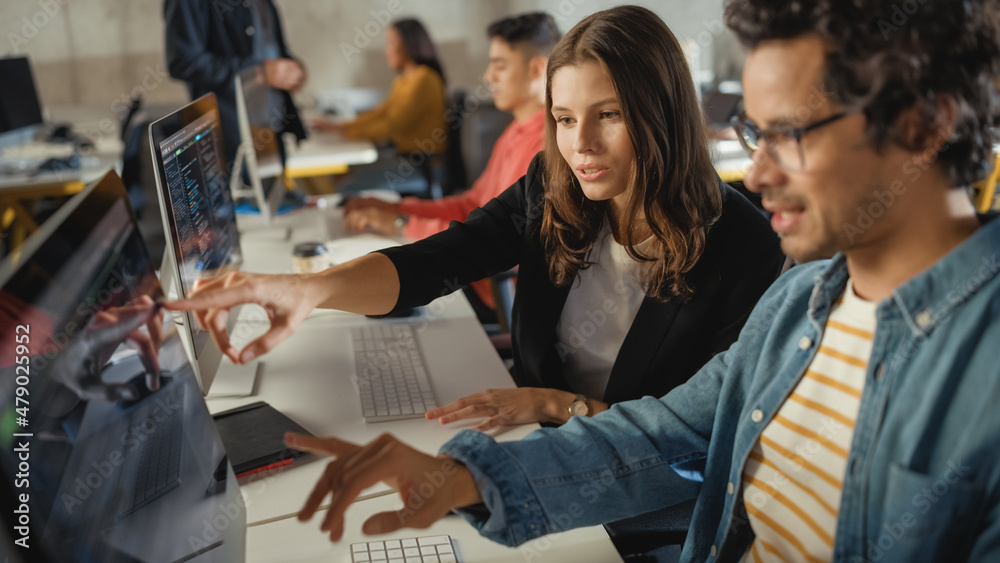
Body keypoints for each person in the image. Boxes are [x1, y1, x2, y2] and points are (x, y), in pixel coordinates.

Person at [275, 1, 1000, 561]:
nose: (762, 172)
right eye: (758, 134)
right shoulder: (803, 302)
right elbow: (667, 435)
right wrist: (465, 478)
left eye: (792, 133)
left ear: (924, 123)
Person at [168, 6, 783, 432]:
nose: (582, 145)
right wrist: (310, 290)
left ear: (662, 115)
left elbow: (706, 435)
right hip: (532, 439)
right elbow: (442, 259)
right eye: (565, 120)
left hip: (622, 485)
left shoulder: (743, 245)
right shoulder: (555, 186)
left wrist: (557, 406)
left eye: (610, 115)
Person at [343, 12, 560, 315]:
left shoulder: (544, 149)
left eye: (499, 65)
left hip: (493, 291)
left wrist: (400, 222)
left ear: (537, 69)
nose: (487, 76)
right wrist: (397, 209)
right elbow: (472, 206)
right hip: (476, 272)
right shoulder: (515, 131)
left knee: (372, 294)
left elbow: (496, 243)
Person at [164, 0, 308, 166]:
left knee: (275, 191)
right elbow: (183, 62)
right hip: (229, 140)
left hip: (271, 132)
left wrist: (292, 72)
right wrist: (258, 72)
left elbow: (269, 48)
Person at [314, 19, 448, 194]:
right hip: (406, 159)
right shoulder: (403, 80)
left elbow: (392, 126)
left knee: (346, 184)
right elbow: (379, 114)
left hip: (421, 166)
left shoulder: (423, 79)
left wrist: (345, 132)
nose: (386, 50)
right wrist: (339, 127)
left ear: (408, 44)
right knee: (343, 175)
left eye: (391, 43)